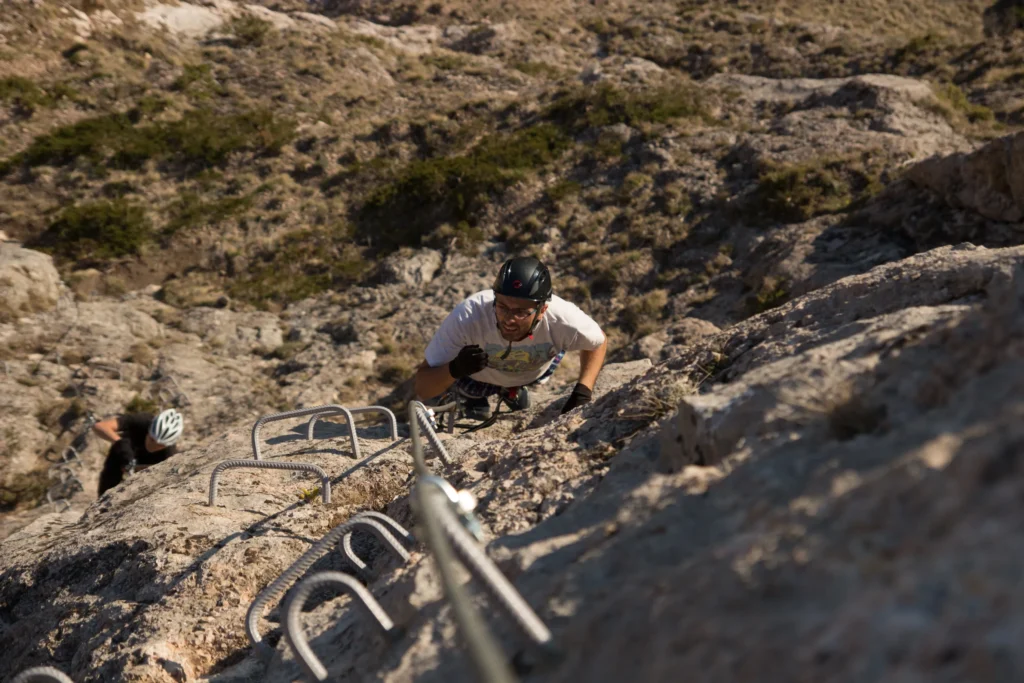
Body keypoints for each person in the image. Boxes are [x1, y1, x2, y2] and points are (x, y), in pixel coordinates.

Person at [414, 256, 608, 421]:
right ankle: (473, 395)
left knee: (554, 345)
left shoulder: (563, 320)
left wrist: (583, 391)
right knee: (467, 383)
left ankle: (511, 388)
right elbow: (423, 387)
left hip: (533, 372)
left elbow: (598, 342)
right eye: (502, 307)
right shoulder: (468, 316)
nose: (509, 319)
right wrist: (455, 368)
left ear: (543, 310)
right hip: (478, 375)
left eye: (521, 311)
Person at [93, 408, 184, 496]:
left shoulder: (169, 455)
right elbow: (100, 426)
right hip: (121, 456)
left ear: (168, 445)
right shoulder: (142, 420)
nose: (154, 446)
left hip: (144, 472)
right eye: (152, 439)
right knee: (106, 489)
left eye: (160, 445)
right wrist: (120, 443)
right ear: (149, 430)